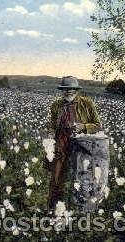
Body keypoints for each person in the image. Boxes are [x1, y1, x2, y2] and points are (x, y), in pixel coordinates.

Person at [47, 76, 101, 209]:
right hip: (61, 145)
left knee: (82, 176)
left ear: (76, 90)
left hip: (81, 145)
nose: (68, 91)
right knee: (57, 177)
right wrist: (50, 135)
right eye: (65, 89)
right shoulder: (56, 105)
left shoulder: (86, 104)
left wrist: (84, 126)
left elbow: (98, 126)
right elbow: (52, 126)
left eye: (71, 89)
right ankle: (54, 207)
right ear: (62, 90)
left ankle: (82, 207)